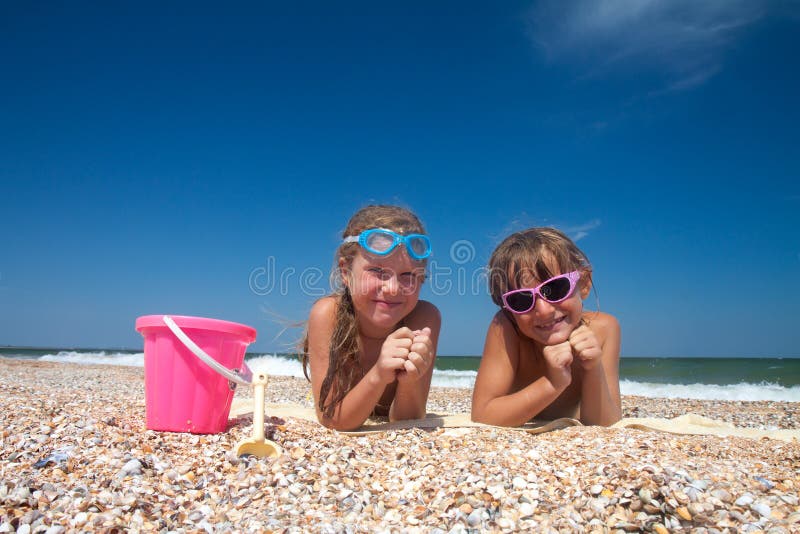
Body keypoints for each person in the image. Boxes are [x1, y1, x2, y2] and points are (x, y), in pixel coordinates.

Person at [301, 205, 441, 430]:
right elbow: (332, 419)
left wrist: (408, 382)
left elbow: (409, 420)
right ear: (346, 272)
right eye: (378, 272)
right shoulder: (328, 315)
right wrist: (378, 375)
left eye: (408, 275)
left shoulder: (423, 318)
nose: (393, 289)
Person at [471, 227, 621, 427]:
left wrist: (593, 368)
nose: (543, 310)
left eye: (556, 288)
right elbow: (483, 414)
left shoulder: (605, 329)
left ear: (583, 284)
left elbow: (605, 425)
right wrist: (552, 384)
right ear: (508, 310)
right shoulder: (507, 328)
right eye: (521, 299)